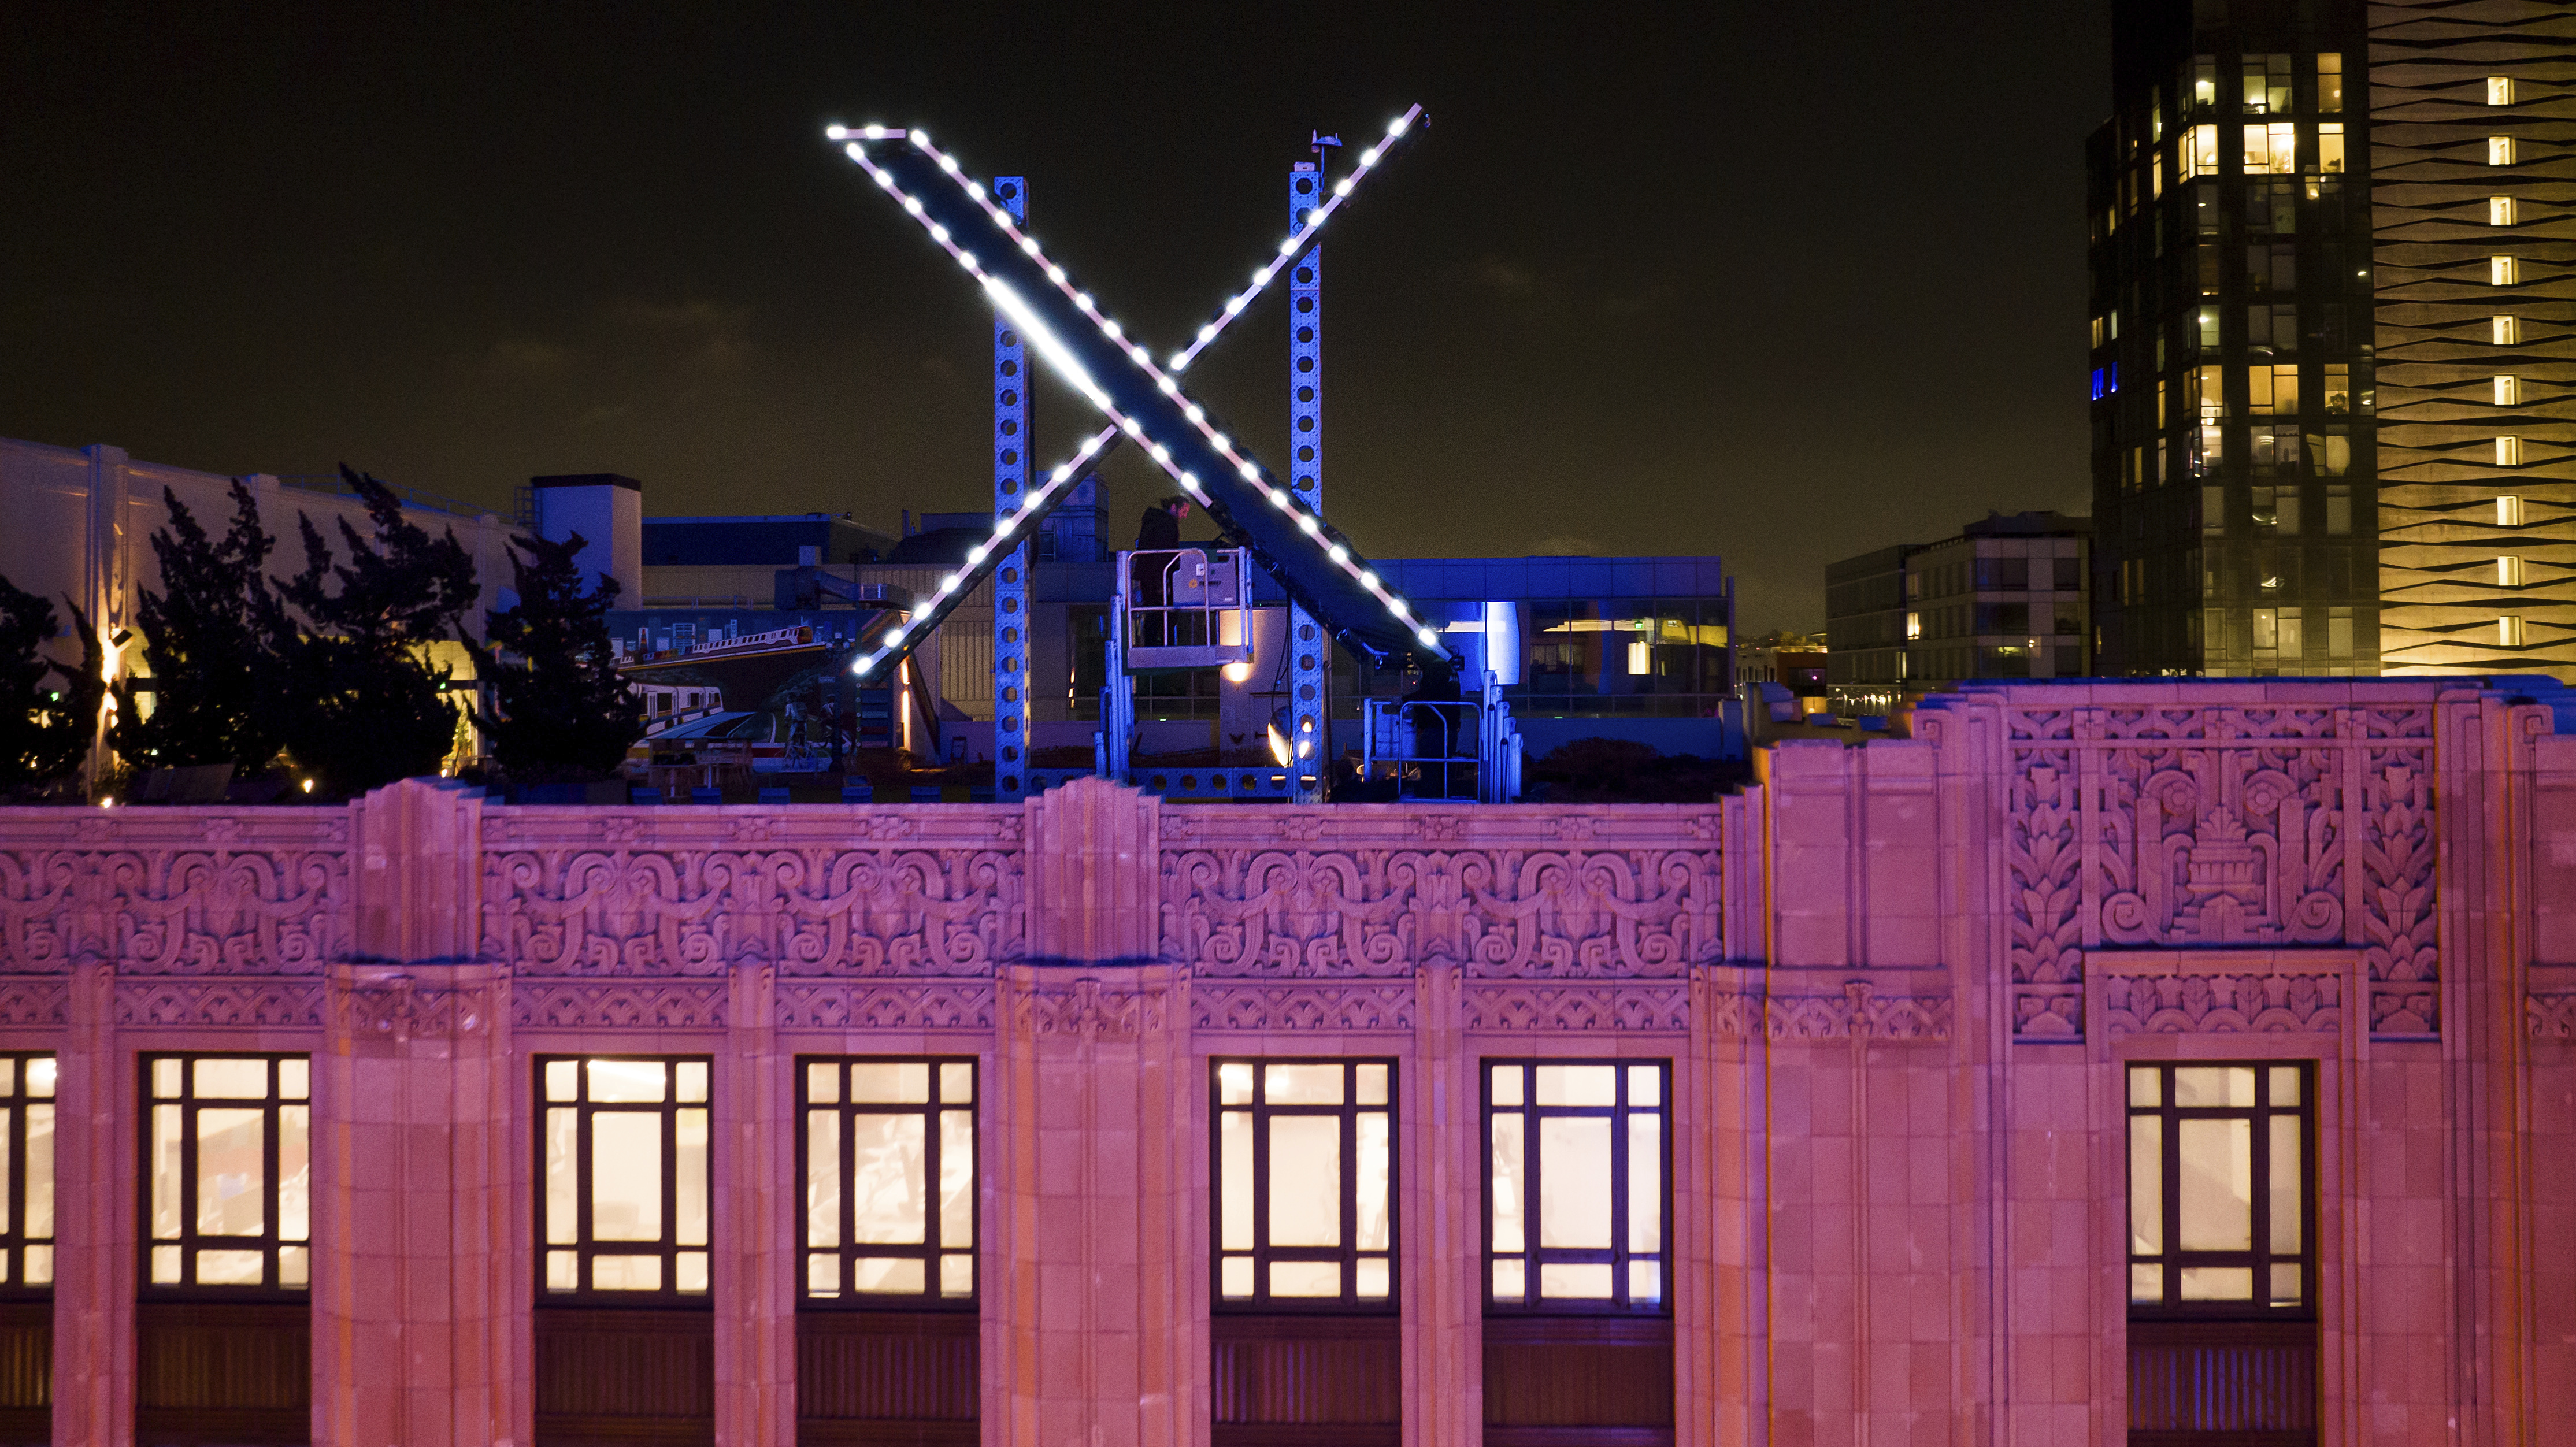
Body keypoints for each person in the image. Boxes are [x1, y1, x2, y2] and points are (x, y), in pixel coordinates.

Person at [1133, 496, 1189, 644]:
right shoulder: (1167, 525)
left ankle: (1152, 645)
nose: (1185, 516)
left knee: (1154, 615)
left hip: (1150, 578)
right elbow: (1165, 556)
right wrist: (1163, 583)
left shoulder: (1153, 522)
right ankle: (1166, 645)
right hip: (1158, 580)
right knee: (1166, 615)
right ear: (1174, 508)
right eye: (1183, 511)